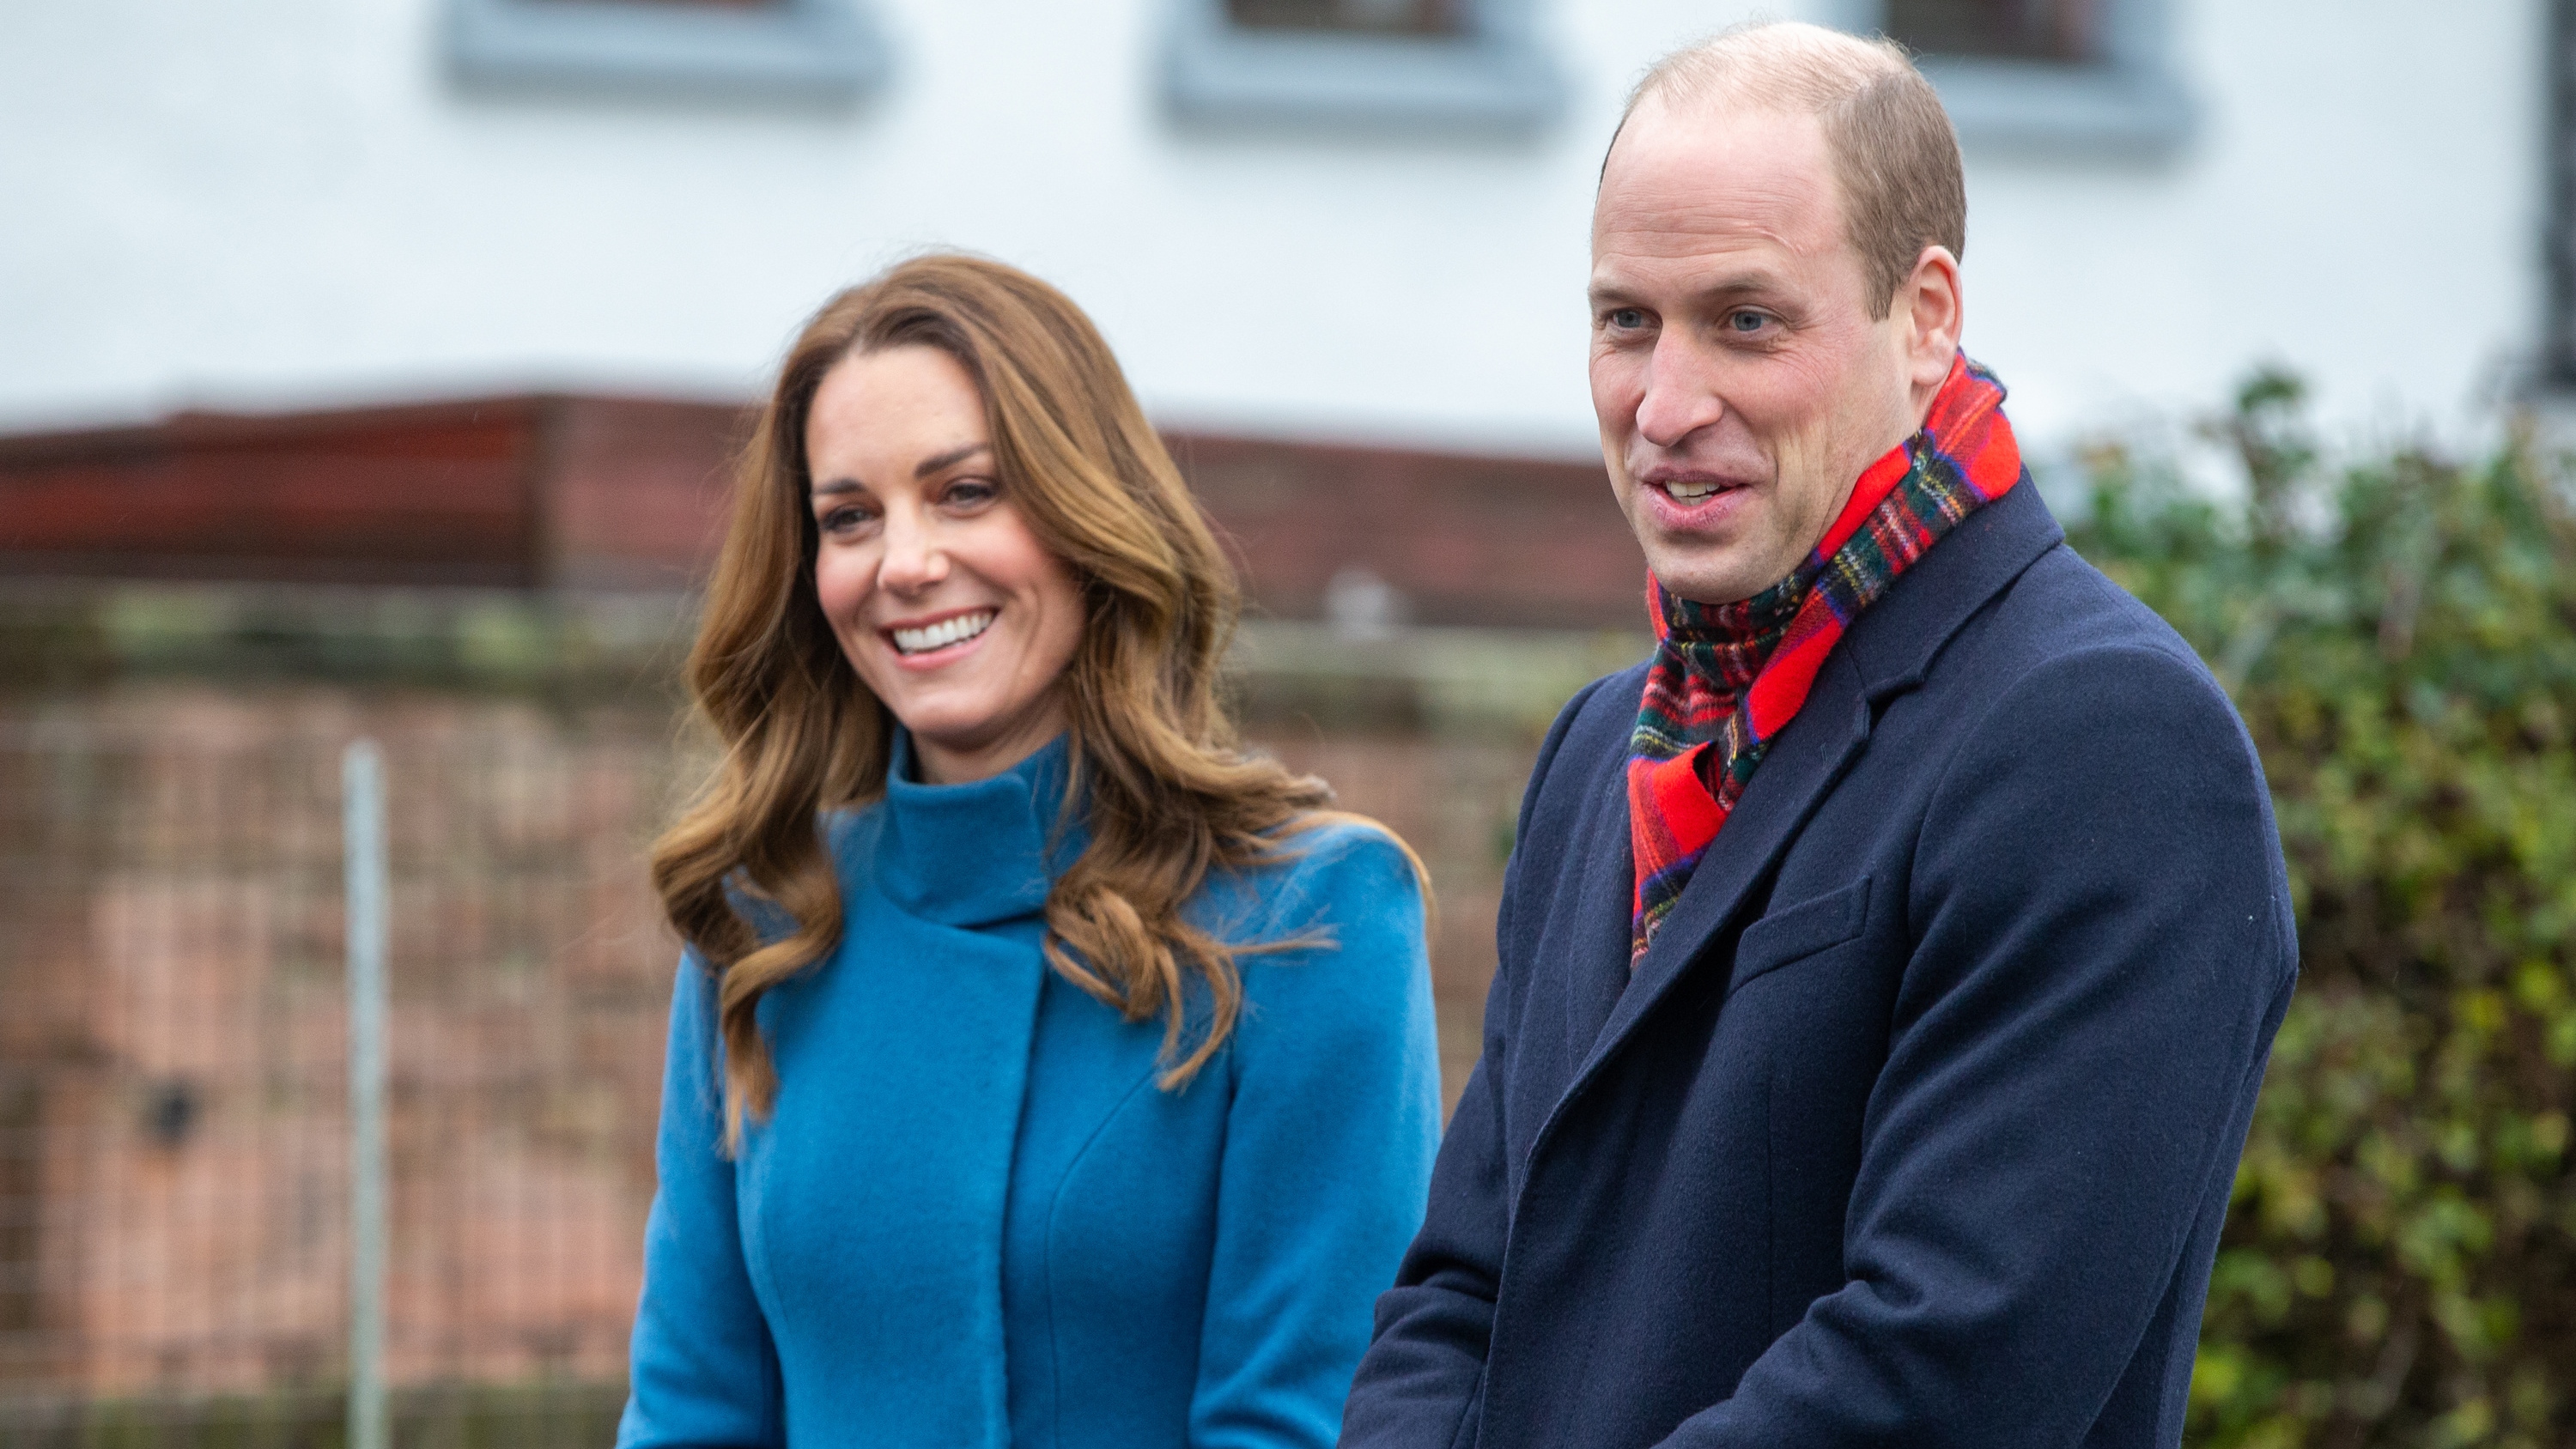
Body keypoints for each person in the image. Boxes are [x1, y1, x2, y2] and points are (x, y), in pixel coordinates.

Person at [1340, 23, 2295, 1449]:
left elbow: (1947, 1368)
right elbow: (1462, 1293)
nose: (1664, 405)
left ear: (1925, 318)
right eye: (1624, 321)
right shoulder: (1605, 748)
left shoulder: (2107, 741)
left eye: (1746, 321)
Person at [619, 253, 1443, 1449]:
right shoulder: (767, 926)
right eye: (849, 517)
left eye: (965, 493)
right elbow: (691, 1413)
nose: (902, 563)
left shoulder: (1314, 917)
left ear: (1084, 515)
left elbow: (1300, 1420)